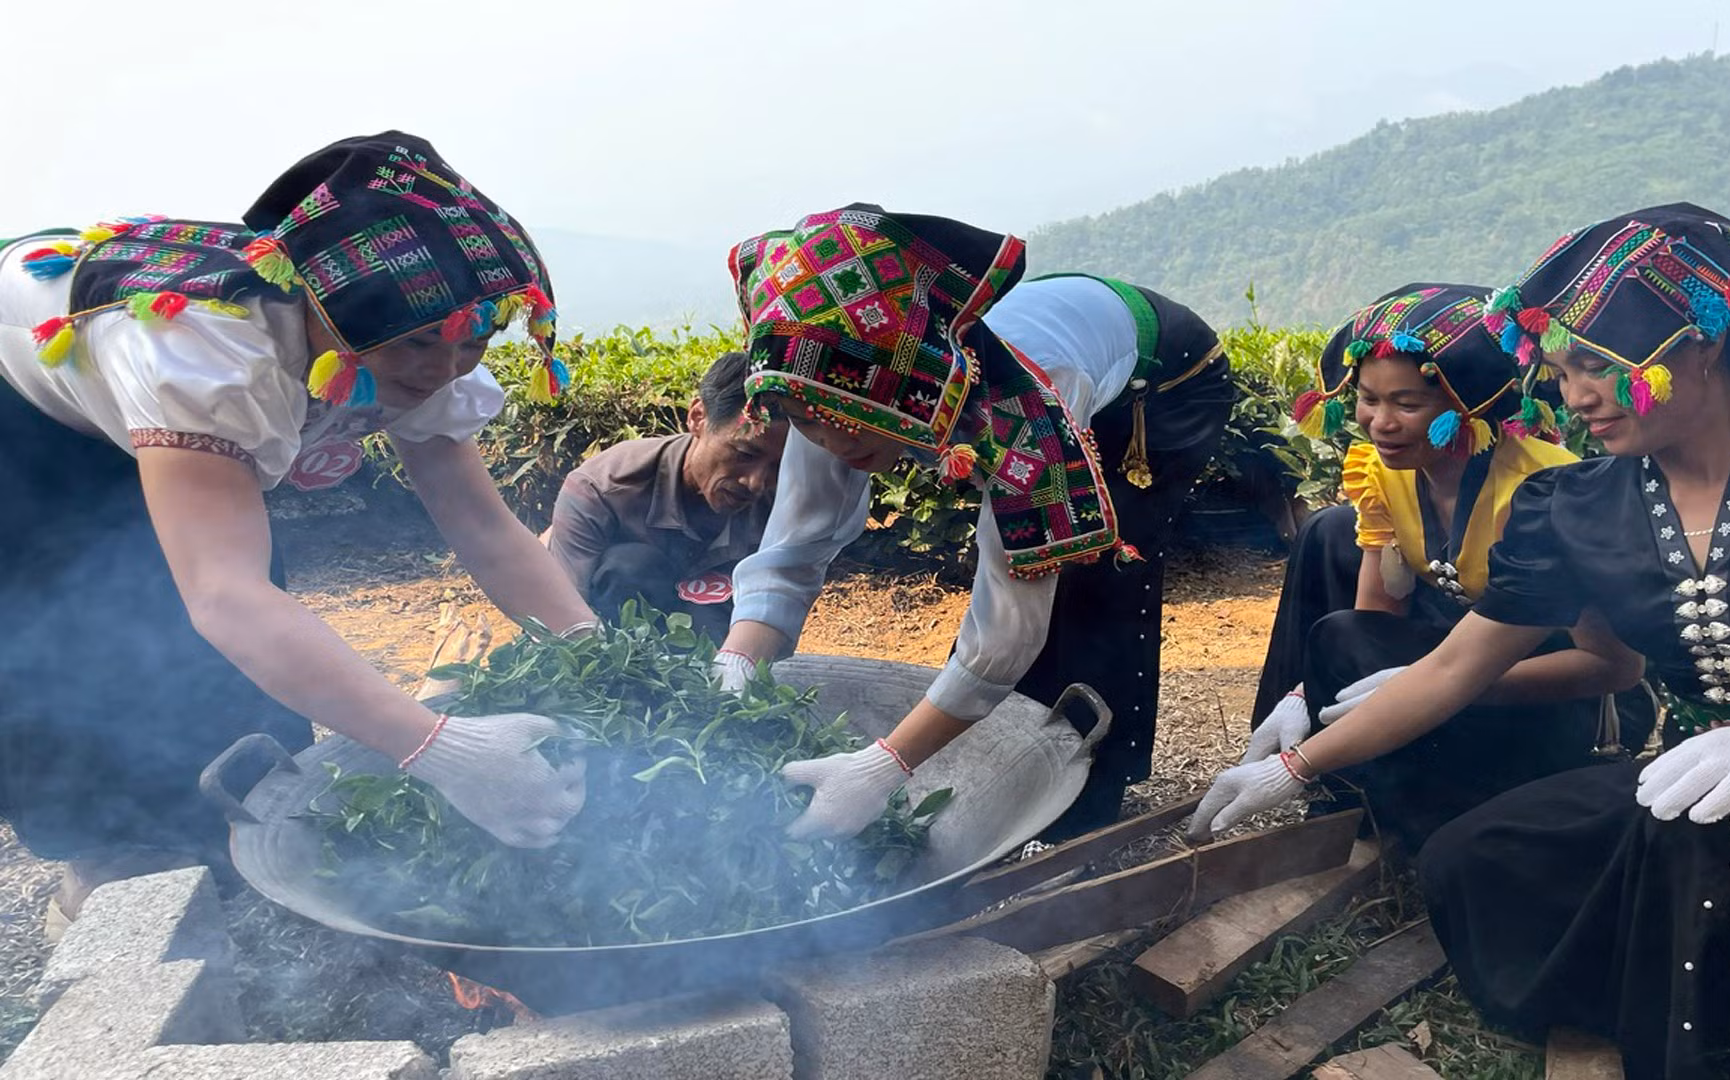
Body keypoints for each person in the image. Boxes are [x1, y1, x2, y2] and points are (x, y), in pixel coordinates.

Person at [1192, 203, 1730, 1079]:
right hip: (1689, 769)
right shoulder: (1588, 506)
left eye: (1600, 366)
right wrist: (1295, 765)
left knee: (1698, 836)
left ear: (1705, 343)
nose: (1577, 398)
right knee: (1472, 861)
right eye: (1563, 373)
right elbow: (1455, 665)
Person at [0, 132, 594, 928]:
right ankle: (104, 865)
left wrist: (592, 650)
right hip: (27, 418)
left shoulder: (436, 337)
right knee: (55, 626)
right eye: (418, 343)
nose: (444, 368)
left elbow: (485, 531)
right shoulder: (208, 352)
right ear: (322, 305)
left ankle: (246, 831)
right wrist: (433, 747)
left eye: (473, 343)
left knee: (232, 634)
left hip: (155, 411)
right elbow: (225, 595)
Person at [710, 204, 1235, 841]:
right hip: (1057, 326)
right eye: (803, 419)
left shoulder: (1023, 416)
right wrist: (735, 668)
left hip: (1166, 381)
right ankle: (1001, 755)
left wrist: (881, 768)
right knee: (1033, 604)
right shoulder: (820, 381)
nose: (826, 441)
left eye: (845, 420)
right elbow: (795, 548)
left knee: (1094, 578)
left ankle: (1090, 793)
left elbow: (1005, 630)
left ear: (907, 391)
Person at [1243, 284, 1646, 850]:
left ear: (1472, 405)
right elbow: (1370, 626)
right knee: (1339, 633)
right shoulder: (1384, 472)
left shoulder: (1541, 490)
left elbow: (1614, 669)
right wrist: (1304, 694)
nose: (1380, 423)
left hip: (1559, 700)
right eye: (1368, 399)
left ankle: (1432, 828)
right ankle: (1370, 806)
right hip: (1458, 672)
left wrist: (1446, 687)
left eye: (1407, 405)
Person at [544, 349, 787, 638]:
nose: (756, 483)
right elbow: (562, 614)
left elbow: (777, 606)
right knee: (630, 567)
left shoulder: (783, 500)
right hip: (610, 639)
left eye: (778, 466)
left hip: (711, 635)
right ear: (698, 417)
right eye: (744, 454)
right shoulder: (602, 489)